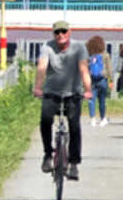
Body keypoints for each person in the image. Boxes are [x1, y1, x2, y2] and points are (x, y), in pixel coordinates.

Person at [34, 19, 93, 181]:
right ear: (53, 34)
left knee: (74, 126)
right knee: (45, 120)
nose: (60, 35)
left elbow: (84, 70)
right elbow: (42, 67)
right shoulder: (47, 47)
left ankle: (73, 163)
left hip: (73, 93)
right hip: (51, 92)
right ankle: (48, 154)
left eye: (63, 31)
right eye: (57, 32)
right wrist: (38, 87)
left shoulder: (79, 48)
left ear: (69, 32)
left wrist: (88, 90)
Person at [85, 35, 112, 127]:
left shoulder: (89, 56)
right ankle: (102, 119)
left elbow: (86, 68)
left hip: (92, 80)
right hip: (103, 80)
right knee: (102, 100)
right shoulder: (106, 55)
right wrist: (110, 80)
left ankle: (92, 119)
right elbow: (109, 69)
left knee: (91, 100)